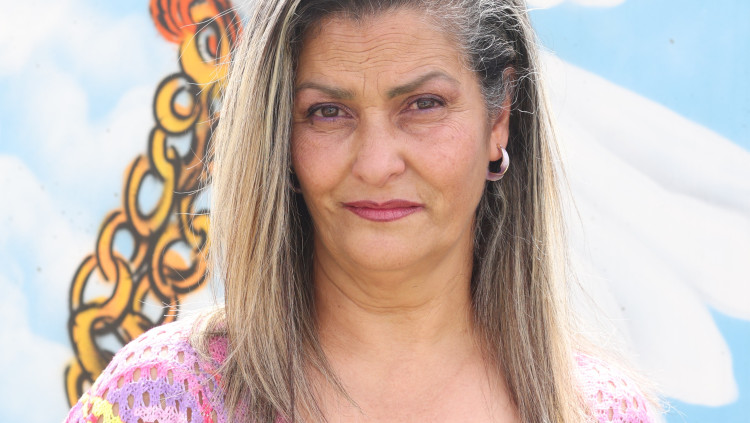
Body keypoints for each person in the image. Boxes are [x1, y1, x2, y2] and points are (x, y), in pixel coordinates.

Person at [65, 0, 657, 422]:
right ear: (281, 136)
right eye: (328, 112)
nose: (376, 164)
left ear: (498, 118)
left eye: (424, 104)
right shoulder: (161, 398)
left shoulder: (605, 412)